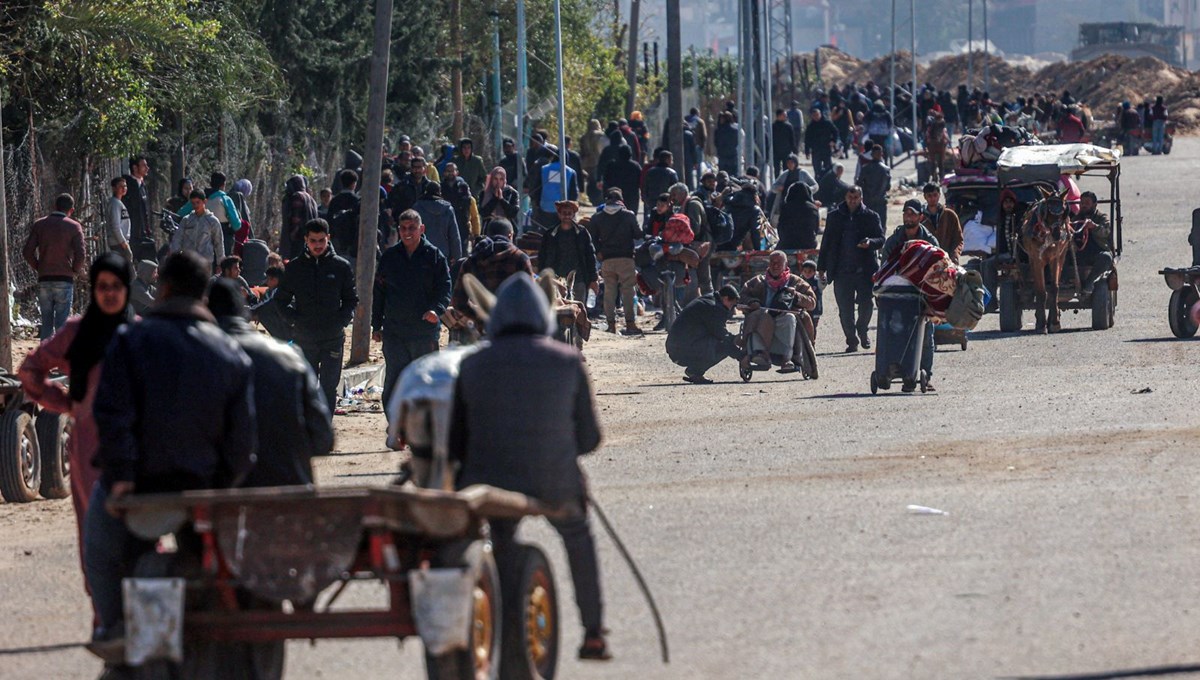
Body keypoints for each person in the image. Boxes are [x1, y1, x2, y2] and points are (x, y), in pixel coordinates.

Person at [84, 250, 256, 658]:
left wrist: (122, 476)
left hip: (139, 486)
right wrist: (222, 487)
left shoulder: (130, 340)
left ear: (161, 286)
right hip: (204, 488)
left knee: (101, 550)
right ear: (203, 291)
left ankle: (114, 626)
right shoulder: (231, 354)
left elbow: (112, 415)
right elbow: (242, 442)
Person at [448, 273, 611, 660]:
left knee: (501, 540)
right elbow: (589, 439)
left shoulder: (472, 365)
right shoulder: (568, 361)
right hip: (554, 481)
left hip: (491, 486)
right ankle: (593, 632)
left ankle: (502, 626)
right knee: (577, 535)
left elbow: (456, 442)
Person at [18, 253, 135, 622]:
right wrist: (66, 404)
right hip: (90, 447)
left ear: (127, 289)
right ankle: (104, 618)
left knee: (141, 529)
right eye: (103, 287)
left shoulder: (141, 333)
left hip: (136, 446)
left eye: (117, 287)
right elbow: (30, 369)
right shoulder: (75, 332)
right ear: (94, 290)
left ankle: (138, 618)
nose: (111, 294)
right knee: (94, 533)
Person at [207, 279, 333, 487]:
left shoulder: (201, 359)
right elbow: (323, 439)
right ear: (244, 313)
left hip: (226, 501)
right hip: (290, 494)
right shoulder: (290, 356)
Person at [373, 209, 452, 412]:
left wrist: (437, 310)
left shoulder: (434, 257)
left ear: (421, 229)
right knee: (394, 381)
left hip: (424, 332)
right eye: (403, 228)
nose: (407, 233)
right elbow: (379, 292)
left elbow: (445, 288)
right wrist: (376, 325)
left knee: (424, 381)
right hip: (395, 332)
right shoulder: (390, 257)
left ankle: (424, 429)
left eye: (412, 228)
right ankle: (395, 426)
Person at [274, 218, 358, 410]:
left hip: (333, 338)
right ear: (306, 240)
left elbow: (351, 299)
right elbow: (280, 301)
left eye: (321, 240)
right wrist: (294, 321)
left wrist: (341, 321)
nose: (317, 245)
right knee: (307, 388)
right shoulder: (295, 268)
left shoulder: (341, 266)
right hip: (305, 339)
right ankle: (308, 432)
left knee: (328, 388)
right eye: (313, 241)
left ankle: (324, 431)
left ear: (328, 238)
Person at [817, 186, 884, 352]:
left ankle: (862, 329)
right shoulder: (834, 217)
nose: (852, 200)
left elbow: (881, 239)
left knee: (866, 305)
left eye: (856, 197)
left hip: (865, 270)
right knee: (845, 309)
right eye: (850, 197)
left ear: (861, 198)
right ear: (845, 197)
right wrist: (821, 268)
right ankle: (851, 339)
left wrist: (870, 243)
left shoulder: (871, 216)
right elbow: (826, 243)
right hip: (841, 271)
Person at [738, 251, 816, 372]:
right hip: (763, 318)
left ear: (786, 265)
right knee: (758, 316)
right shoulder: (757, 281)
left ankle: (787, 358)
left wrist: (796, 296)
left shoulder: (797, 283)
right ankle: (761, 354)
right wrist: (751, 301)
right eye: (772, 262)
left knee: (789, 318)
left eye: (779, 263)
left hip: (784, 319)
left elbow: (812, 303)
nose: (775, 266)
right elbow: (742, 295)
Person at [448, 218, 533, 328]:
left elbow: (458, 302)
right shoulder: (520, 258)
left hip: (485, 331)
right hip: (514, 329)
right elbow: (531, 299)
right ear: (510, 235)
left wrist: (481, 317)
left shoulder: (472, 261)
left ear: (487, 235)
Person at [23, 193, 87, 339]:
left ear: (54, 206)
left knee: (46, 322)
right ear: (71, 210)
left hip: (45, 278)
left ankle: (45, 358)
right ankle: (60, 357)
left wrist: (39, 267)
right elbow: (81, 254)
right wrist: (74, 270)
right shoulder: (74, 226)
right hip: (64, 278)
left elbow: (27, 252)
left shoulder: (39, 224)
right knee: (62, 323)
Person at [665, 284, 744, 384]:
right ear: (726, 298)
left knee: (723, 343)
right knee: (723, 347)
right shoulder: (713, 307)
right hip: (681, 350)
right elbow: (721, 335)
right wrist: (741, 356)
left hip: (677, 346)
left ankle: (694, 371)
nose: (731, 308)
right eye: (732, 304)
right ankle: (695, 372)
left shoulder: (710, 300)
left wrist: (734, 339)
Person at [589, 188, 642, 335]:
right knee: (628, 292)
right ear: (621, 200)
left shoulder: (597, 217)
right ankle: (630, 324)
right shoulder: (628, 215)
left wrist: (599, 252)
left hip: (607, 259)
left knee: (609, 293)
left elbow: (592, 239)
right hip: (626, 258)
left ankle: (611, 325)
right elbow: (638, 234)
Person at [538, 201, 598, 303]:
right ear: (559, 214)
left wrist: (594, 279)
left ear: (573, 214)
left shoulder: (582, 233)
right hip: (556, 279)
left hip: (579, 278)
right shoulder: (550, 234)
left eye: (569, 213)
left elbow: (590, 256)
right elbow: (542, 256)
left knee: (578, 310)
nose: (566, 216)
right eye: (564, 213)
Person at [178, 172, 242, 256]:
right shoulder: (225, 199)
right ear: (223, 185)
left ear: (210, 183)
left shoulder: (199, 197)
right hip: (222, 238)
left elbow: (180, 214)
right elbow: (236, 225)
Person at [170, 190, 224, 274]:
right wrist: (175, 257)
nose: (195, 205)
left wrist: (220, 263)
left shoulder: (212, 221)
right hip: (188, 262)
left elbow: (218, 242)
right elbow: (177, 239)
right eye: (193, 203)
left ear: (204, 201)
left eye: (198, 202)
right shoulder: (186, 220)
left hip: (205, 263)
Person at [1073, 191, 1115, 295]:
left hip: (1097, 253)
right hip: (1078, 254)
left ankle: (1089, 282)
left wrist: (1094, 227)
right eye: (1082, 203)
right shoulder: (1076, 219)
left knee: (1106, 257)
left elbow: (1106, 231)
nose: (1084, 205)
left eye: (1087, 203)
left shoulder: (1101, 217)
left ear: (1095, 204)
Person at [412, 182, 463, 262]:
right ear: (439, 192)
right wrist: (457, 256)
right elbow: (454, 235)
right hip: (443, 254)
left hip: (421, 253)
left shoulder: (417, 208)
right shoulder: (448, 209)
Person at [441, 162, 480, 249]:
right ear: (444, 173)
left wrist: (476, 233)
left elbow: (474, 214)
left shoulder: (463, 187)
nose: (450, 173)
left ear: (457, 172)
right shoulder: (440, 188)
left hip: (462, 227)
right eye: (448, 171)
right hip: (445, 228)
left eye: (452, 171)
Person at [921, 183, 962, 263]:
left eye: (935, 195)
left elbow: (958, 239)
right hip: (926, 261)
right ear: (925, 197)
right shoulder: (920, 218)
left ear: (939, 195)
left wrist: (955, 255)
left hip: (948, 260)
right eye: (929, 196)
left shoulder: (950, 215)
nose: (932, 198)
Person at [281, 174, 319, 260]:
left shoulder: (297, 196)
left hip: (298, 239)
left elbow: (296, 219)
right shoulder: (311, 199)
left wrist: (292, 234)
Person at [600, 143, 642, 215]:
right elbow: (640, 181)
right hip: (632, 196)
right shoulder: (635, 166)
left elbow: (606, 180)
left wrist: (605, 194)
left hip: (614, 195)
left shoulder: (611, 165)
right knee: (631, 215)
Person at [777, 181, 820, 250]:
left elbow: (780, 226)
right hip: (808, 243)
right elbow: (816, 228)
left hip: (788, 243)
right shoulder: (813, 208)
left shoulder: (786, 207)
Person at [857, 144, 891, 229]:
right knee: (881, 224)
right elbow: (887, 186)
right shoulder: (886, 169)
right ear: (881, 154)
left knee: (868, 224)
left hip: (868, 200)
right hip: (881, 201)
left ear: (872, 154)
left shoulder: (865, 168)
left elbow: (859, 183)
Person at [642, 150, 679, 221]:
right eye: (671, 160)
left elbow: (645, 187)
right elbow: (675, 190)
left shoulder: (650, 172)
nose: (672, 162)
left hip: (651, 202)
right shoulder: (671, 173)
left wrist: (646, 200)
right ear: (667, 160)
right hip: (666, 204)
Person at [121, 155, 151, 241]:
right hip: (131, 234)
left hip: (142, 233)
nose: (147, 168)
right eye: (143, 165)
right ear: (135, 167)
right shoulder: (128, 186)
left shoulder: (142, 186)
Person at [804, 108, 839, 179]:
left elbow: (835, 131)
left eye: (817, 115)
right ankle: (818, 183)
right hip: (815, 150)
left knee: (828, 168)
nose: (816, 117)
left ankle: (828, 183)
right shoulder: (810, 126)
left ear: (820, 114)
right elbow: (807, 140)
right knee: (817, 170)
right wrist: (807, 152)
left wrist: (833, 141)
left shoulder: (827, 123)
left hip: (826, 148)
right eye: (814, 115)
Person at [106, 177, 132, 260]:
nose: (124, 188)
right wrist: (124, 244)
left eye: (125, 186)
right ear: (114, 188)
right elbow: (115, 226)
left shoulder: (119, 203)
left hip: (121, 243)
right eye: (121, 186)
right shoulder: (115, 203)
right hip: (118, 244)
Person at [799, 259, 823, 338]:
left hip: (815, 309)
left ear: (814, 272)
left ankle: (812, 342)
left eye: (810, 271)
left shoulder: (817, 282)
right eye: (805, 271)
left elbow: (824, 283)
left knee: (813, 326)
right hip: (803, 308)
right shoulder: (800, 282)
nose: (807, 274)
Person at [772, 109, 796, 175]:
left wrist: (794, 150)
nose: (786, 116)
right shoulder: (773, 126)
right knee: (776, 169)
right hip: (776, 151)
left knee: (786, 169)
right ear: (779, 116)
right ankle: (777, 182)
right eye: (784, 115)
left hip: (786, 151)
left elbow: (792, 139)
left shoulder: (788, 126)